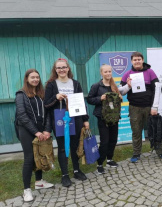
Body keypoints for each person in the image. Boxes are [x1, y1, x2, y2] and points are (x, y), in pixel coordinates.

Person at [44, 58, 89, 187]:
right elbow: (46, 104)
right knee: (63, 148)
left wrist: (85, 119)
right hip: (59, 120)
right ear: (55, 70)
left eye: (64, 67)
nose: (62, 70)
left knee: (74, 146)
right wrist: (55, 97)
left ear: (68, 68)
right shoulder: (51, 84)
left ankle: (76, 170)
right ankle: (65, 175)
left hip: (76, 118)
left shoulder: (75, 83)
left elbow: (81, 102)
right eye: (59, 68)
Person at [119, 51, 162, 163]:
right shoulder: (127, 74)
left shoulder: (150, 72)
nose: (137, 61)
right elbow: (121, 92)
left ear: (142, 60)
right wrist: (128, 85)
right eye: (134, 60)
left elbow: (157, 89)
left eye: (139, 59)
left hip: (149, 107)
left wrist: (154, 107)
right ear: (131, 61)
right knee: (136, 131)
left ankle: (159, 151)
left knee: (155, 129)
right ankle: (136, 153)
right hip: (134, 108)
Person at [15, 69, 54, 202]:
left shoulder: (41, 94)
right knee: (30, 158)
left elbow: (47, 113)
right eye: (32, 77)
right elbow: (22, 115)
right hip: (26, 130)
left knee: (41, 154)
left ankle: (39, 181)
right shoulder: (21, 94)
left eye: (37, 77)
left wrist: (47, 130)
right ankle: (26, 190)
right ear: (27, 79)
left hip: (41, 129)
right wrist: (36, 132)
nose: (35, 80)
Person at [87, 64, 122, 174]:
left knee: (113, 139)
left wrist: (120, 98)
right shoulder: (96, 86)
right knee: (105, 141)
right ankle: (100, 163)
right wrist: (99, 98)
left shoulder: (114, 86)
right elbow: (89, 99)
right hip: (102, 117)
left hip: (114, 116)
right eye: (105, 72)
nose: (108, 73)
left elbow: (116, 101)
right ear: (101, 73)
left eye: (109, 71)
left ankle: (110, 159)